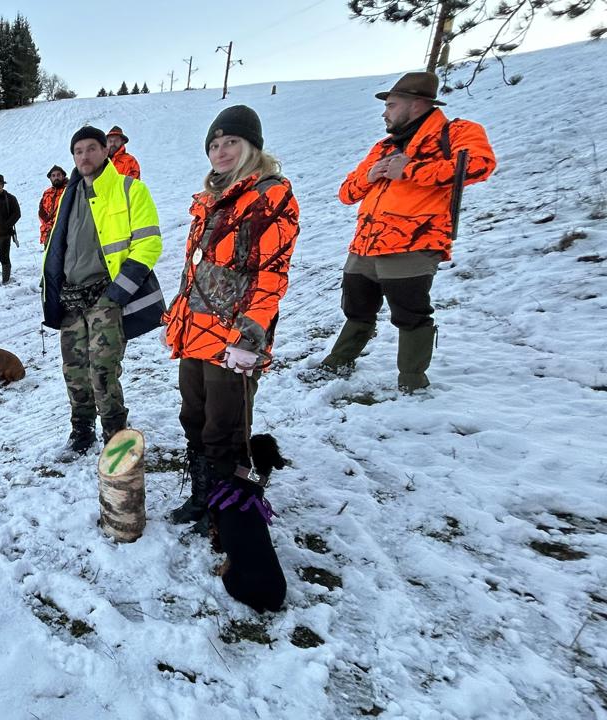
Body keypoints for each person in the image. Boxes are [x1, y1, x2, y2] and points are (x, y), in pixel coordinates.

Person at [160, 105, 300, 535]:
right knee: (195, 417)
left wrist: (251, 335)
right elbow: (197, 271)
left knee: (227, 425)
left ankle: (228, 509)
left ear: (252, 147)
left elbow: (271, 274)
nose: (220, 152)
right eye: (215, 145)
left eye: (231, 143)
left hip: (233, 337)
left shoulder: (271, 196)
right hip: (195, 331)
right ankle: (203, 495)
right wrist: (177, 320)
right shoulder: (209, 201)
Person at [320, 71, 496, 392]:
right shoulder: (383, 147)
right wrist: (369, 176)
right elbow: (346, 192)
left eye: (390, 104)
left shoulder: (457, 132)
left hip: (413, 242)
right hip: (365, 244)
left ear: (416, 104)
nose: (384, 112)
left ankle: (412, 382)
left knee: (410, 313)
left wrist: (412, 170)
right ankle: (339, 361)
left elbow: (480, 164)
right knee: (357, 308)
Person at [41, 126, 164, 457]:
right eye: (77, 151)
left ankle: (115, 436)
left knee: (103, 370)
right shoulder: (68, 195)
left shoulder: (130, 190)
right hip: (71, 299)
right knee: (74, 370)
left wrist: (117, 293)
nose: (84, 156)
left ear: (105, 151)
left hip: (105, 298)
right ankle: (82, 432)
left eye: (91, 149)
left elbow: (149, 244)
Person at [37, 165, 66, 246]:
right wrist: (48, 222)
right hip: (48, 231)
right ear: (50, 178)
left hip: (66, 230)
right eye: (53, 176)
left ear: (63, 176)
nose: (56, 177)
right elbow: (41, 212)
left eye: (58, 175)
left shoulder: (68, 190)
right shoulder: (47, 193)